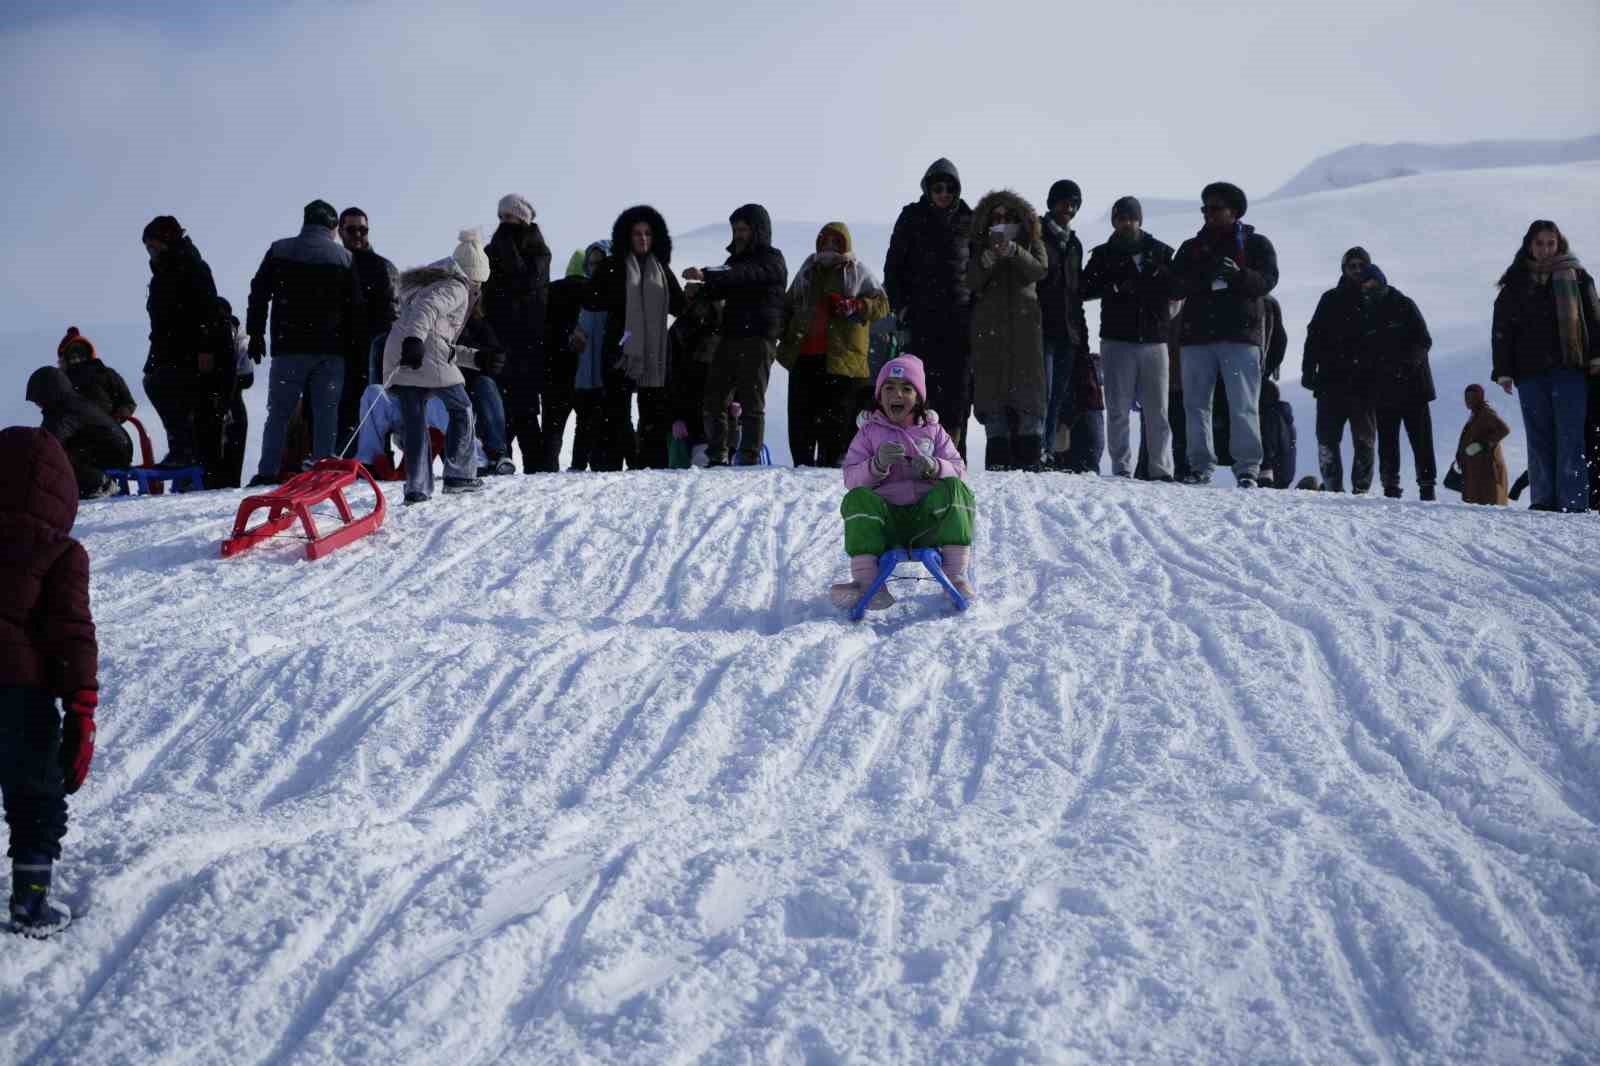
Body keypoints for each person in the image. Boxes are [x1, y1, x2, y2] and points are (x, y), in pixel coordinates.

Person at [0, 427, 99, 937]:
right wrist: (81, 709)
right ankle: (30, 902)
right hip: (22, 695)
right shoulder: (61, 553)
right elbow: (72, 635)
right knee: (34, 794)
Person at [833, 355, 975, 610]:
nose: (896, 394)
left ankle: (955, 575)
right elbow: (851, 477)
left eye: (906, 389)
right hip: (887, 524)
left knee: (956, 488)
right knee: (856, 498)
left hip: (928, 522)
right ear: (879, 396)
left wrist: (935, 467)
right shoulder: (868, 432)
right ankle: (868, 583)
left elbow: (960, 471)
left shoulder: (934, 431)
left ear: (918, 397)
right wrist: (876, 465)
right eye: (889, 388)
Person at [246, 199, 365, 486]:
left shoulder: (279, 250)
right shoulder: (344, 258)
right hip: (331, 352)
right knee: (327, 413)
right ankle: (322, 472)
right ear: (333, 227)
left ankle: (267, 472)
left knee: (280, 413)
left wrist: (256, 333)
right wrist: (355, 350)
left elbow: (258, 293)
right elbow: (356, 309)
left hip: (289, 349)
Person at [381, 230, 504, 504]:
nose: (477, 290)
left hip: (403, 357)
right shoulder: (455, 286)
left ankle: (417, 487)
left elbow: (440, 342)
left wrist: (476, 359)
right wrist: (414, 339)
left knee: (415, 422)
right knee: (462, 408)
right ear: (472, 275)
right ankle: (459, 474)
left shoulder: (432, 285)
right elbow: (427, 311)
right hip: (418, 352)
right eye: (478, 283)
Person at [1171, 182, 1278, 487]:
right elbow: (1174, 285)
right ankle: (1199, 466)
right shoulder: (1192, 247)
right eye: (1205, 208)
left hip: (1240, 336)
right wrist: (1205, 279)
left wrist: (1239, 276)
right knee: (1195, 404)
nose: (1208, 214)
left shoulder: (1255, 244)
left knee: (1243, 404)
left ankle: (1247, 468)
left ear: (1234, 211)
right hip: (1198, 337)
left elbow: (1268, 280)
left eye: (1215, 208)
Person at [1491, 219, 1600, 513]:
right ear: (1529, 245)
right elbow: (1502, 329)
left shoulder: (1577, 277)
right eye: (1539, 244)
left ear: (1559, 243)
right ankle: (1543, 500)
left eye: (1550, 243)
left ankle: (1573, 502)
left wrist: (1596, 357)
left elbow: (1594, 319)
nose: (1545, 249)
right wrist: (1503, 370)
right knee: (1539, 438)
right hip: (1530, 373)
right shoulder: (1515, 282)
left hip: (1570, 369)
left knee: (1570, 437)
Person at [683, 204, 787, 466]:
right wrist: (701, 291)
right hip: (731, 336)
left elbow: (743, 276)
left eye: (742, 229)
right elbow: (723, 285)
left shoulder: (772, 259)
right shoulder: (733, 263)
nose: (738, 235)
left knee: (752, 401)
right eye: (735, 230)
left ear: (757, 231)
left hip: (759, 338)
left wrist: (706, 274)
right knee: (714, 397)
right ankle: (718, 454)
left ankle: (749, 457)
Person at [778, 222, 890, 466]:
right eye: (825, 242)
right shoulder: (807, 270)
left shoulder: (858, 272)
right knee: (802, 423)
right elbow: (788, 305)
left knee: (835, 424)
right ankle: (802, 468)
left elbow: (882, 305)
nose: (829, 248)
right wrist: (783, 333)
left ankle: (829, 468)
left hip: (842, 360)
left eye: (835, 243)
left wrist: (857, 306)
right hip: (804, 356)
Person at [885, 160, 975, 457]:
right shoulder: (912, 218)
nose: (943, 193)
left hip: (960, 320)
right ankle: (920, 454)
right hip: (922, 319)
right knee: (922, 391)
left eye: (950, 188)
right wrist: (902, 308)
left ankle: (953, 456)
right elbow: (893, 268)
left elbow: (979, 270)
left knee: (959, 394)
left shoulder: (969, 219)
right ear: (928, 189)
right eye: (937, 187)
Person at [1081, 196, 1176, 479]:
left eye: (1131, 218)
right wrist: (1111, 286)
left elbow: (1180, 287)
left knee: (1157, 410)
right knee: (1118, 409)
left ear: (1140, 220)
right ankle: (1121, 467)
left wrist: (1161, 276)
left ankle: (1160, 468)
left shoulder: (1160, 252)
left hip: (1154, 339)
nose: (1126, 223)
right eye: (1121, 218)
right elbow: (1084, 288)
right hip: (1117, 339)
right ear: (1114, 221)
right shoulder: (1103, 255)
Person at [585, 206, 685, 470]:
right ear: (626, 237)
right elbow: (591, 299)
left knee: (653, 414)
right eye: (637, 234)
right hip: (620, 348)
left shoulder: (661, 269)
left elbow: (681, 306)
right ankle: (615, 465)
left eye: (647, 234)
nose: (642, 239)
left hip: (654, 350)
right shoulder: (612, 266)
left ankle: (650, 466)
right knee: (616, 412)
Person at [139, 215, 233, 475]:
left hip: (188, 350)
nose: (150, 253)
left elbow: (207, 310)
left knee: (174, 394)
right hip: (170, 349)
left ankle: (187, 449)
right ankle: (183, 448)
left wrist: (205, 348)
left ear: (167, 241)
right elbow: (159, 324)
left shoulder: (191, 266)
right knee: (158, 386)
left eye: (153, 246)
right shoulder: (164, 273)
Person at [964, 189, 1049, 471]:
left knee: (1028, 399)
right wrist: (989, 259)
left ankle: (1031, 460)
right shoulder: (978, 245)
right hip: (989, 331)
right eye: (996, 216)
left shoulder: (1031, 240)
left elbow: (1039, 270)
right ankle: (998, 463)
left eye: (1008, 216)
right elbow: (972, 281)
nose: (1001, 221)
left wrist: (1015, 252)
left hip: (1025, 329)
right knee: (994, 398)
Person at [1355, 261, 1437, 500]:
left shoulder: (1404, 305)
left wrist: (1404, 365)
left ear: (1380, 279)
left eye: (1370, 281)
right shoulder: (1366, 313)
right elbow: (1364, 351)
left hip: (1414, 388)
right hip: (1383, 391)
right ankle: (1390, 486)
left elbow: (1423, 341)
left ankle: (1427, 486)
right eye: (1364, 283)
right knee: (1388, 442)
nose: (1367, 286)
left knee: (1421, 440)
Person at [483, 194, 551, 472]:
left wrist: (507, 247)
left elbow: (524, 282)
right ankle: (499, 462)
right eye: (500, 218)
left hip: (528, 344)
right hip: (497, 341)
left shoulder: (538, 253)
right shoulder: (490, 252)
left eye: (509, 218)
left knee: (525, 413)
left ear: (522, 219)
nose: (504, 224)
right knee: (499, 411)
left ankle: (536, 470)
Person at [1302, 249, 1379, 493]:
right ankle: (1333, 488)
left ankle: (1361, 490)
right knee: (1326, 439)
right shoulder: (1330, 299)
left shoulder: (1376, 298)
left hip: (1364, 382)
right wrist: (1307, 370)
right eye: (1351, 266)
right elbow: (1313, 335)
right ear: (1344, 269)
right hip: (1330, 380)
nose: (1356, 270)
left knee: (1364, 440)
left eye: (1360, 265)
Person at [336, 207, 400, 447]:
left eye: (363, 229)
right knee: (342, 410)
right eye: (351, 230)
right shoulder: (334, 265)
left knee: (373, 404)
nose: (358, 235)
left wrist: (383, 347)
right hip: (340, 349)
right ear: (340, 231)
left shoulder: (381, 266)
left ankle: (377, 458)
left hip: (372, 349)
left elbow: (393, 312)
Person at [1038, 180, 1090, 469]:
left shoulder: (1074, 244)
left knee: (1057, 396)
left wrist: (1081, 335)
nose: (1067, 208)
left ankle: (1047, 448)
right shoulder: (1037, 235)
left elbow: (1075, 293)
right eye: (1062, 202)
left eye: (1072, 204)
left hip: (1068, 331)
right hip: (1043, 326)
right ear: (1051, 203)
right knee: (1042, 393)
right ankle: (1039, 447)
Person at [545, 243, 610, 472]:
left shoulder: (551, 291)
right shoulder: (594, 291)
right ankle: (580, 464)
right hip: (584, 369)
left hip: (554, 370)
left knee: (553, 428)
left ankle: (547, 468)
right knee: (586, 423)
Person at [26, 367, 133, 498]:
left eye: (38, 399)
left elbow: (50, 441)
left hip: (111, 449)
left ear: (47, 393)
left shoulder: (65, 409)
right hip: (117, 445)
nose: (37, 404)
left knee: (54, 461)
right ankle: (93, 481)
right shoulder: (72, 402)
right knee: (56, 457)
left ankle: (99, 483)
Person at [56, 328, 136, 423]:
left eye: (81, 354)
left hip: (107, 429)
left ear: (89, 354)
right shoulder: (60, 381)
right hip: (73, 432)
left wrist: (117, 417)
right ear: (65, 359)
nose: (77, 359)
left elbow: (127, 402)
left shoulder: (106, 374)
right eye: (72, 356)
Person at [216, 299, 253, 489]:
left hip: (216, 405)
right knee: (231, 473)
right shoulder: (240, 336)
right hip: (234, 404)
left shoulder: (200, 333)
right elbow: (248, 377)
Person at [1456, 384, 1510, 505]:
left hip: (1487, 467)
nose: (1468, 400)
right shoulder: (1475, 414)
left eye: (1472, 396)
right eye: (1466, 396)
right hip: (1476, 468)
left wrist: (1484, 443)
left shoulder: (1486, 413)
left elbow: (1504, 430)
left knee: (1489, 502)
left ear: (1480, 397)